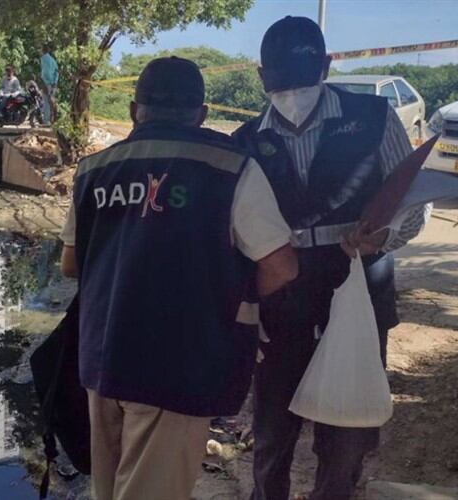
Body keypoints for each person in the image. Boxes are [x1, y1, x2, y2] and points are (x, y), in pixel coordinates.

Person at [60, 57, 299, 500]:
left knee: (108, 490)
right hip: (177, 365)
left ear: (135, 111)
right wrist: (227, 296)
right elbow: (282, 266)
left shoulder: (92, 170)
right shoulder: (231, 168)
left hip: (103, 358)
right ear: (202, 113)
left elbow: (70, 265)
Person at [233, 16, 431, 500]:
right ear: (262, 78)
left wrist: (382, 235)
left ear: (326, 65)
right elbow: (235, 237)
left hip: (358, 291)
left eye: (303, 79)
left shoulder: (375, 118)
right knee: (273, 429)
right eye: (282, 83)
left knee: (346, 433)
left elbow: (413, 203)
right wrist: (244, 306)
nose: (292, 94)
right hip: (280, 301)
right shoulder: (242, 143)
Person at [39, 44, 59, 125]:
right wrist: (55, 83)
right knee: (52, 102)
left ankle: (46, 121)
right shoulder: (53, 60)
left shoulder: (44, 58)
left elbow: (45, 72)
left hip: (47, 83)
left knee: (46, 102)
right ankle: (53, 120)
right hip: (53, 84)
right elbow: (57, 72)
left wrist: (46, 83)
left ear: (43, 50)